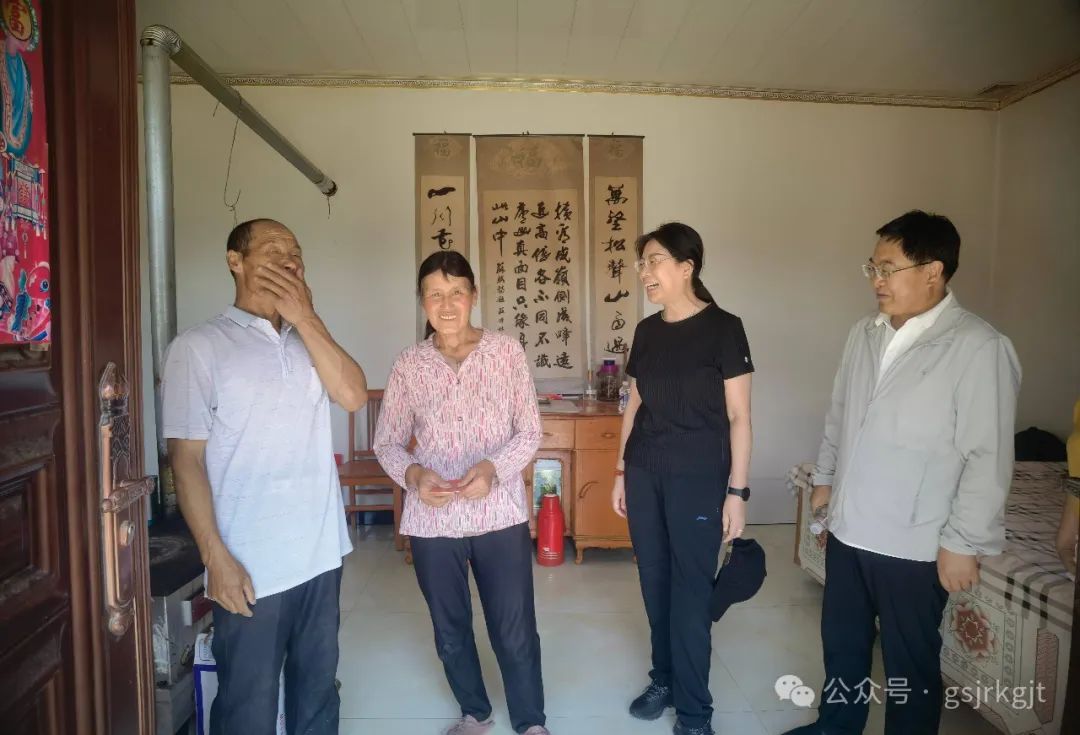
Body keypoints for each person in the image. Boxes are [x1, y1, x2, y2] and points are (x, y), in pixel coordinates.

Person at [786, 211, 1022, 735]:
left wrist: (963, 542)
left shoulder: (978, 347)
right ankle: (835, 727)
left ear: (933, 271)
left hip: (914, 541)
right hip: (850, 528)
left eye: (888, 269)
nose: (877, 280)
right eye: (873, 267)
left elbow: (987, 457)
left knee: (908, 664)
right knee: (842, 645)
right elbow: (840, 415)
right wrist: (824, 480)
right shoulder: (864, 333)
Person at [162, 218, 367, 734]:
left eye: (295, 252)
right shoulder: (199, 346)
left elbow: (353, 396)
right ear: (236, 261)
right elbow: (185, 461)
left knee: (317, 693)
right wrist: (216, 558)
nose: (289, 259)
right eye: (274, 249)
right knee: (248, 706)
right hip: (251, 565)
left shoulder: (308, 339)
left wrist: (307, 317)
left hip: (321, 554)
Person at [373, 250, 550, 735]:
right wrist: (414, 476)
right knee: (449, 627)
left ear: (473, 295)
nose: (447, 305)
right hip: (433, 518)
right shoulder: (409, 364)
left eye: (456, 293)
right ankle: (475, 711)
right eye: (435, 294)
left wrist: (493, 469)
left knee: (513, 625)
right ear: (422, 301)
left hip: (499, 513)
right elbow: (386, 442)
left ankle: (531, 721)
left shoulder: (505, 352)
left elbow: (529, 431)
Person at [610, 222, 754, 735]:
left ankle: (695, 714)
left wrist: (737, 492)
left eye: (654, 261)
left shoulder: (724, 328)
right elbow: (634, 405)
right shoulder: (647, 331)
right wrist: (621, 471)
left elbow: (739, 417)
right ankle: (664, 679)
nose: (644, 272)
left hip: (698, 478)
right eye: (642, 263)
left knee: (691, 593)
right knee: (654, 583)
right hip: (645, 471)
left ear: (686, 267)